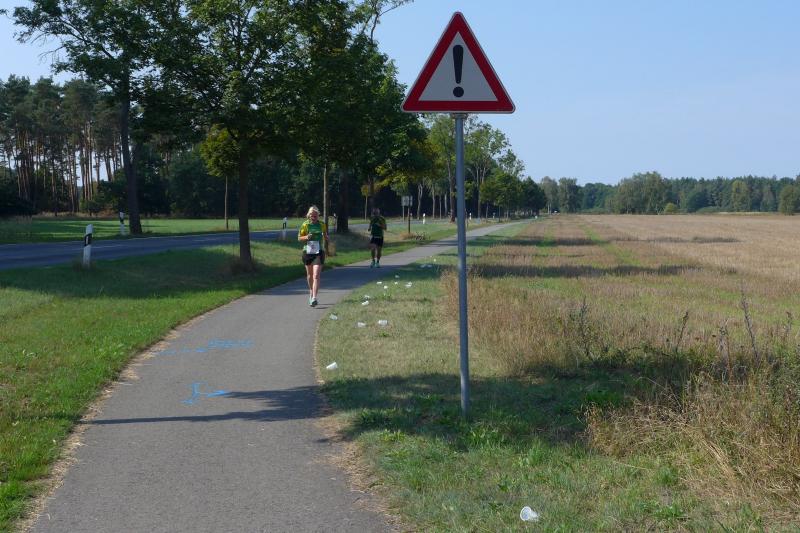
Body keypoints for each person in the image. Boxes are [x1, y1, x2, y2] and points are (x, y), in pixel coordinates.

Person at [298, 206, 329, 307]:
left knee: (316, 275)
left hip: (318, 252)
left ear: (318, 216)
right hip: (307, 252)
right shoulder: (305, 225)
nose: (314, 217)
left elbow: (325, 235)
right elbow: (299, 238)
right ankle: (311, 292)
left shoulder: (322, 224)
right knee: (310, 275)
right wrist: (307, 237)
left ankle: (314, 298)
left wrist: (326, 238)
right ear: (309, 216)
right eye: (312, 216)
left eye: (315, 216)